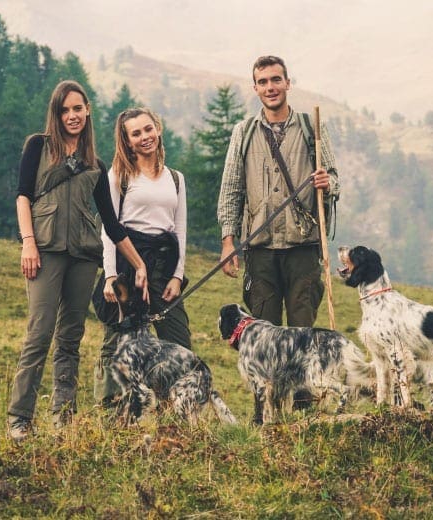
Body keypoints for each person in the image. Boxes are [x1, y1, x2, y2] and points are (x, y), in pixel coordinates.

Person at [8, 80, 148, 442]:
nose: (72, 116)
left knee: (70, 339)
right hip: (45, 251)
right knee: (39, 335)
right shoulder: (37, 147)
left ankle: (63, 418)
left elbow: (113, 224)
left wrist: (140, 264)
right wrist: (28, 243)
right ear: (57, 114)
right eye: (65, 110)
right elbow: (23, 197)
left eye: (78, 109)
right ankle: (19, 419)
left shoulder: (95, 166)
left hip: (84, 259)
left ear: (87, 111)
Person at [217, 55, 339, 413]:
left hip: (303, 245)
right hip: (260, 248)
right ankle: (264, 412)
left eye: (276, 80)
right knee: (263, 333)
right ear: (255, 88)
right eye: (263, 82)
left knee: (302, 329)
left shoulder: (310, 126)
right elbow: (231, 190)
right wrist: (229, 241)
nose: (270, 87)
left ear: (288, 83)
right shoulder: (243, 133)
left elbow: (334, 177)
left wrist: (326, 182)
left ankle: (303, 409)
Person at [94, 107, 192, 407]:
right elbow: (109, 229)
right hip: (127, 263)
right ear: (127, 140)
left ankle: (172, 414)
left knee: (178, 341)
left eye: (148, 129)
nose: (144, 137)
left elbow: (180, 229)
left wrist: (177, 275)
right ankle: (110, 412)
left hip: (163, 266)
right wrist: (111, 276)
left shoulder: (175, 179)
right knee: (117, 341)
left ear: (158, 128)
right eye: (135, 133)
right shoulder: (118, 176)